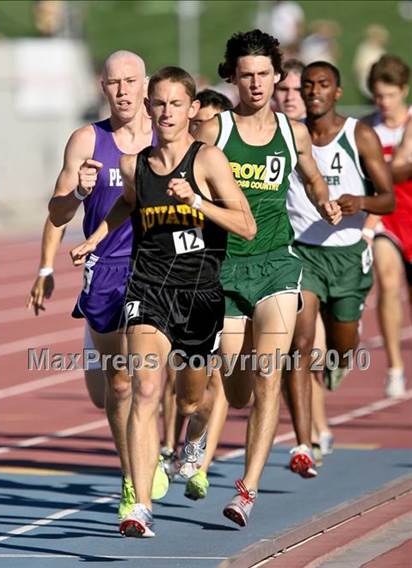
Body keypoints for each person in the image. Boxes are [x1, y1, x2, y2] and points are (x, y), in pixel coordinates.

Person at [70, 65, 256, 537]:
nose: (167, 112)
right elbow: (127, 205)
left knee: (189, 398)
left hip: (198, 291)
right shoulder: (136, 164)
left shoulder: (208, 160)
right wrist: (95, 238)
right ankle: (138, 503)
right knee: (145, 390)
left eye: (177, 104)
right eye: (160, 103)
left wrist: (197, 202)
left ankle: (195, 436)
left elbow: (245, 224)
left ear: (192, 110)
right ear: (149, 108)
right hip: (148, 285)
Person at [195, 29, 341, 527]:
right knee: (236, 389)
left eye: (264, 74)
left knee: (268, 373)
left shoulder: (290, 131)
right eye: (246, 75)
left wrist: (324, 201)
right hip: (226, 265)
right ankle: (210, 427)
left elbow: (310, 173)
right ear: (232, 77)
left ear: (278, 77)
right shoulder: (215, 131)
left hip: (277, 262)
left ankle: (246, 490)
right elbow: (178, 174)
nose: (256, 84)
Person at [47, 50, 169, 524]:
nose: (122, 90)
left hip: (161, 269)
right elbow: (56, 215)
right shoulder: (85, 140)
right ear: (103, 87)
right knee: (118, 386)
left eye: (130, 80)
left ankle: (157, 455)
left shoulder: (168, 137)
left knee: (155, 380)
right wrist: (77, 192)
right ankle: (131, 471)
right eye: (113, 82)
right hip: (107, 272)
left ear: (146, 85)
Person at [285, 61, 394, 475]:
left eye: (323, 85)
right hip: (301, 253)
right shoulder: (290, 135)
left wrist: (359, 202)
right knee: (300, 343)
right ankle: (302, 442)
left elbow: (388, 198)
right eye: (308, 85)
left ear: (336, 91)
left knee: (341, 347)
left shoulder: (358, 135)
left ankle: (343, 351)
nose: (314, 92)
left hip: (347, 257)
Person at [161, 88, 233, 483]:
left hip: (217, 281)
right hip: (162, 282)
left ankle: (194, 448)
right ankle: (165, 451)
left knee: (204, 387)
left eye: (211, 123)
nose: (203, 130)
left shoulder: (220, 163)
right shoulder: (163, 157)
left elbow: (246, 224)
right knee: (150, 374)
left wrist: (199, 204)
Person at [273, 59, 333, 465]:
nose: (292, 97)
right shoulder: (262, 134)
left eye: (297, 91)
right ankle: (308, 435)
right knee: (299, 346)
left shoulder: (320, 136)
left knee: (331, 351)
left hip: (332, 250)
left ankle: (316, 425)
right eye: (285, 91)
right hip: (288, 252)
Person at [363, 55, 412, 398]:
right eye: (379, 95)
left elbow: (405, 166)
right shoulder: (366, 128)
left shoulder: (411, 124)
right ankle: (395, 367)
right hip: (386, 218)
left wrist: (376, 170)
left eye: (390, 95)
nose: (384, 102)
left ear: (403, 92)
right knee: (388, 281)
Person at [26, 217, 106, 409]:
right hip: (101, 281)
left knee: (142, 386)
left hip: (145, 276)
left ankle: (175, 438)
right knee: (101, 396)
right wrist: (45, 270)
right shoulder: (85, 184)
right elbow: (59, 214)